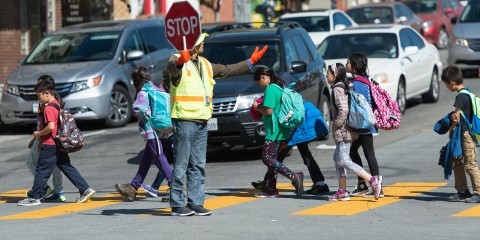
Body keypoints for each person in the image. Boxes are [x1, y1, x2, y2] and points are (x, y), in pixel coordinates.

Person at [167, 33, 268, 216]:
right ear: (195, 44)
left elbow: (228, 69)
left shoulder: (205, 64)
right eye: (202, 41)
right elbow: (174, 71)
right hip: (184, 119)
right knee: (181, 164)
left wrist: (250, 62)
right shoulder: (176, 59)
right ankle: (177, 204)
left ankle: (196, 203)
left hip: (202, 119)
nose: (204, 44)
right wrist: (181, 61)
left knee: (198, 164)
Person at [18, 75, 96, 206]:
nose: (39, 99)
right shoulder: (57, 104)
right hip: (58, 143)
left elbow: (51, 127)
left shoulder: (48, 107)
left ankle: (34, 197)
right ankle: (85, 189)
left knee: (41, 171)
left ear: (47, 93)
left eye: (39, 96)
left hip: (50, 144)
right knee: (66, 166)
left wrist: (38, 134)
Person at [115, 67, 173, 201]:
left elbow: (138, 108)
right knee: (146, 160)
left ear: (135, 80)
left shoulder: (143, 92)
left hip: (151, 130)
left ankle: (175, 184)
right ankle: (133, 187)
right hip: (161, 129)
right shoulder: (156, 88)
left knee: (159, 157)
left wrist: (140, 113)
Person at [251, 99, 330, 196]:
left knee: (279, 156)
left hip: (303, 122)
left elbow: (290, 124)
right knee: (301, 154)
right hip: (305, 117)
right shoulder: (275, 98)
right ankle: (320, 183)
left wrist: (286, 141)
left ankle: (267, 183)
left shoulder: (275, 105)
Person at [327, 63, 382, 201]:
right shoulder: (343, 86)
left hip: (344, 131)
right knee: (338, 159)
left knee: (343, 160)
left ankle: (372, 181)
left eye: (328, 73)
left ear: (335, 74)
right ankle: (342, 191)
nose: (326, 75)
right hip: (345, 130)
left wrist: (336, 125)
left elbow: (343, 110)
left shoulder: (337, 89)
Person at [251, 66, 305, 198]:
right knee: (273, 160)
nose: (260, 86)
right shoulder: (278, 88)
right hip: (281, 129)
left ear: (263, 77)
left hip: (273, 130)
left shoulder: (271, 89)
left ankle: (294, 176)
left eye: (259, 83)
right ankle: (271, 188)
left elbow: (268, 110)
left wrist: (258, 108)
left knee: (267, 158)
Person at [346, 53, 384, 198]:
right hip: (369, 123)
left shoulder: (355, 85)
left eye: (348, 62)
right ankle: (364, 185)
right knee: (358, 152)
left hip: (360, 124)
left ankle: (376, 187)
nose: (346, 65)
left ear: (354, 66)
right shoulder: (368, 82)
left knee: (367, 154)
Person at [441, 65, 480, 203]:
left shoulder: (461, 97)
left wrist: (450, 130)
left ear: (452, 83)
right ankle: (462, 190)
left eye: (446, 85)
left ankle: (478, 192)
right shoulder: (468, 93)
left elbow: (456, 117)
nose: (447, 88)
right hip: (465, 134)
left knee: (470, 164)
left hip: (466, 135)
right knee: (457, 161)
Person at [25, 76, 65, 202]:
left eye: (39, 86)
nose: (37, 89)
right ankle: (59, 192)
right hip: (51, 137)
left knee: (32, 162)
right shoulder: (54, 100)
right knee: (56, 165)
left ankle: (45, 189)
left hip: (46, 137)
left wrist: (40, 138)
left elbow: (49, 125)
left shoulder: (47, 104)